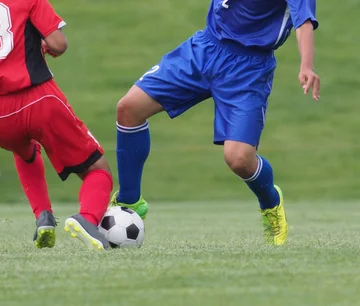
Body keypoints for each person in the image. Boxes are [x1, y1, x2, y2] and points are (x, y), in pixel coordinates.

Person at [111, 0, 320, 246]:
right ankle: (130, 201)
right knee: (129, 109)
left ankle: (271, 202)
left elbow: (303, 20)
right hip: (205, 48)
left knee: (239, 159)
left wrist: (306, 65)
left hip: (248, 69)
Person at [0, 0, 114, 250]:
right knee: (97, 170)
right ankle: (87, 218)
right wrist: (47, 46)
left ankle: (43, 217)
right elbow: (59, 43)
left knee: (24, 150)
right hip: (38, 98)